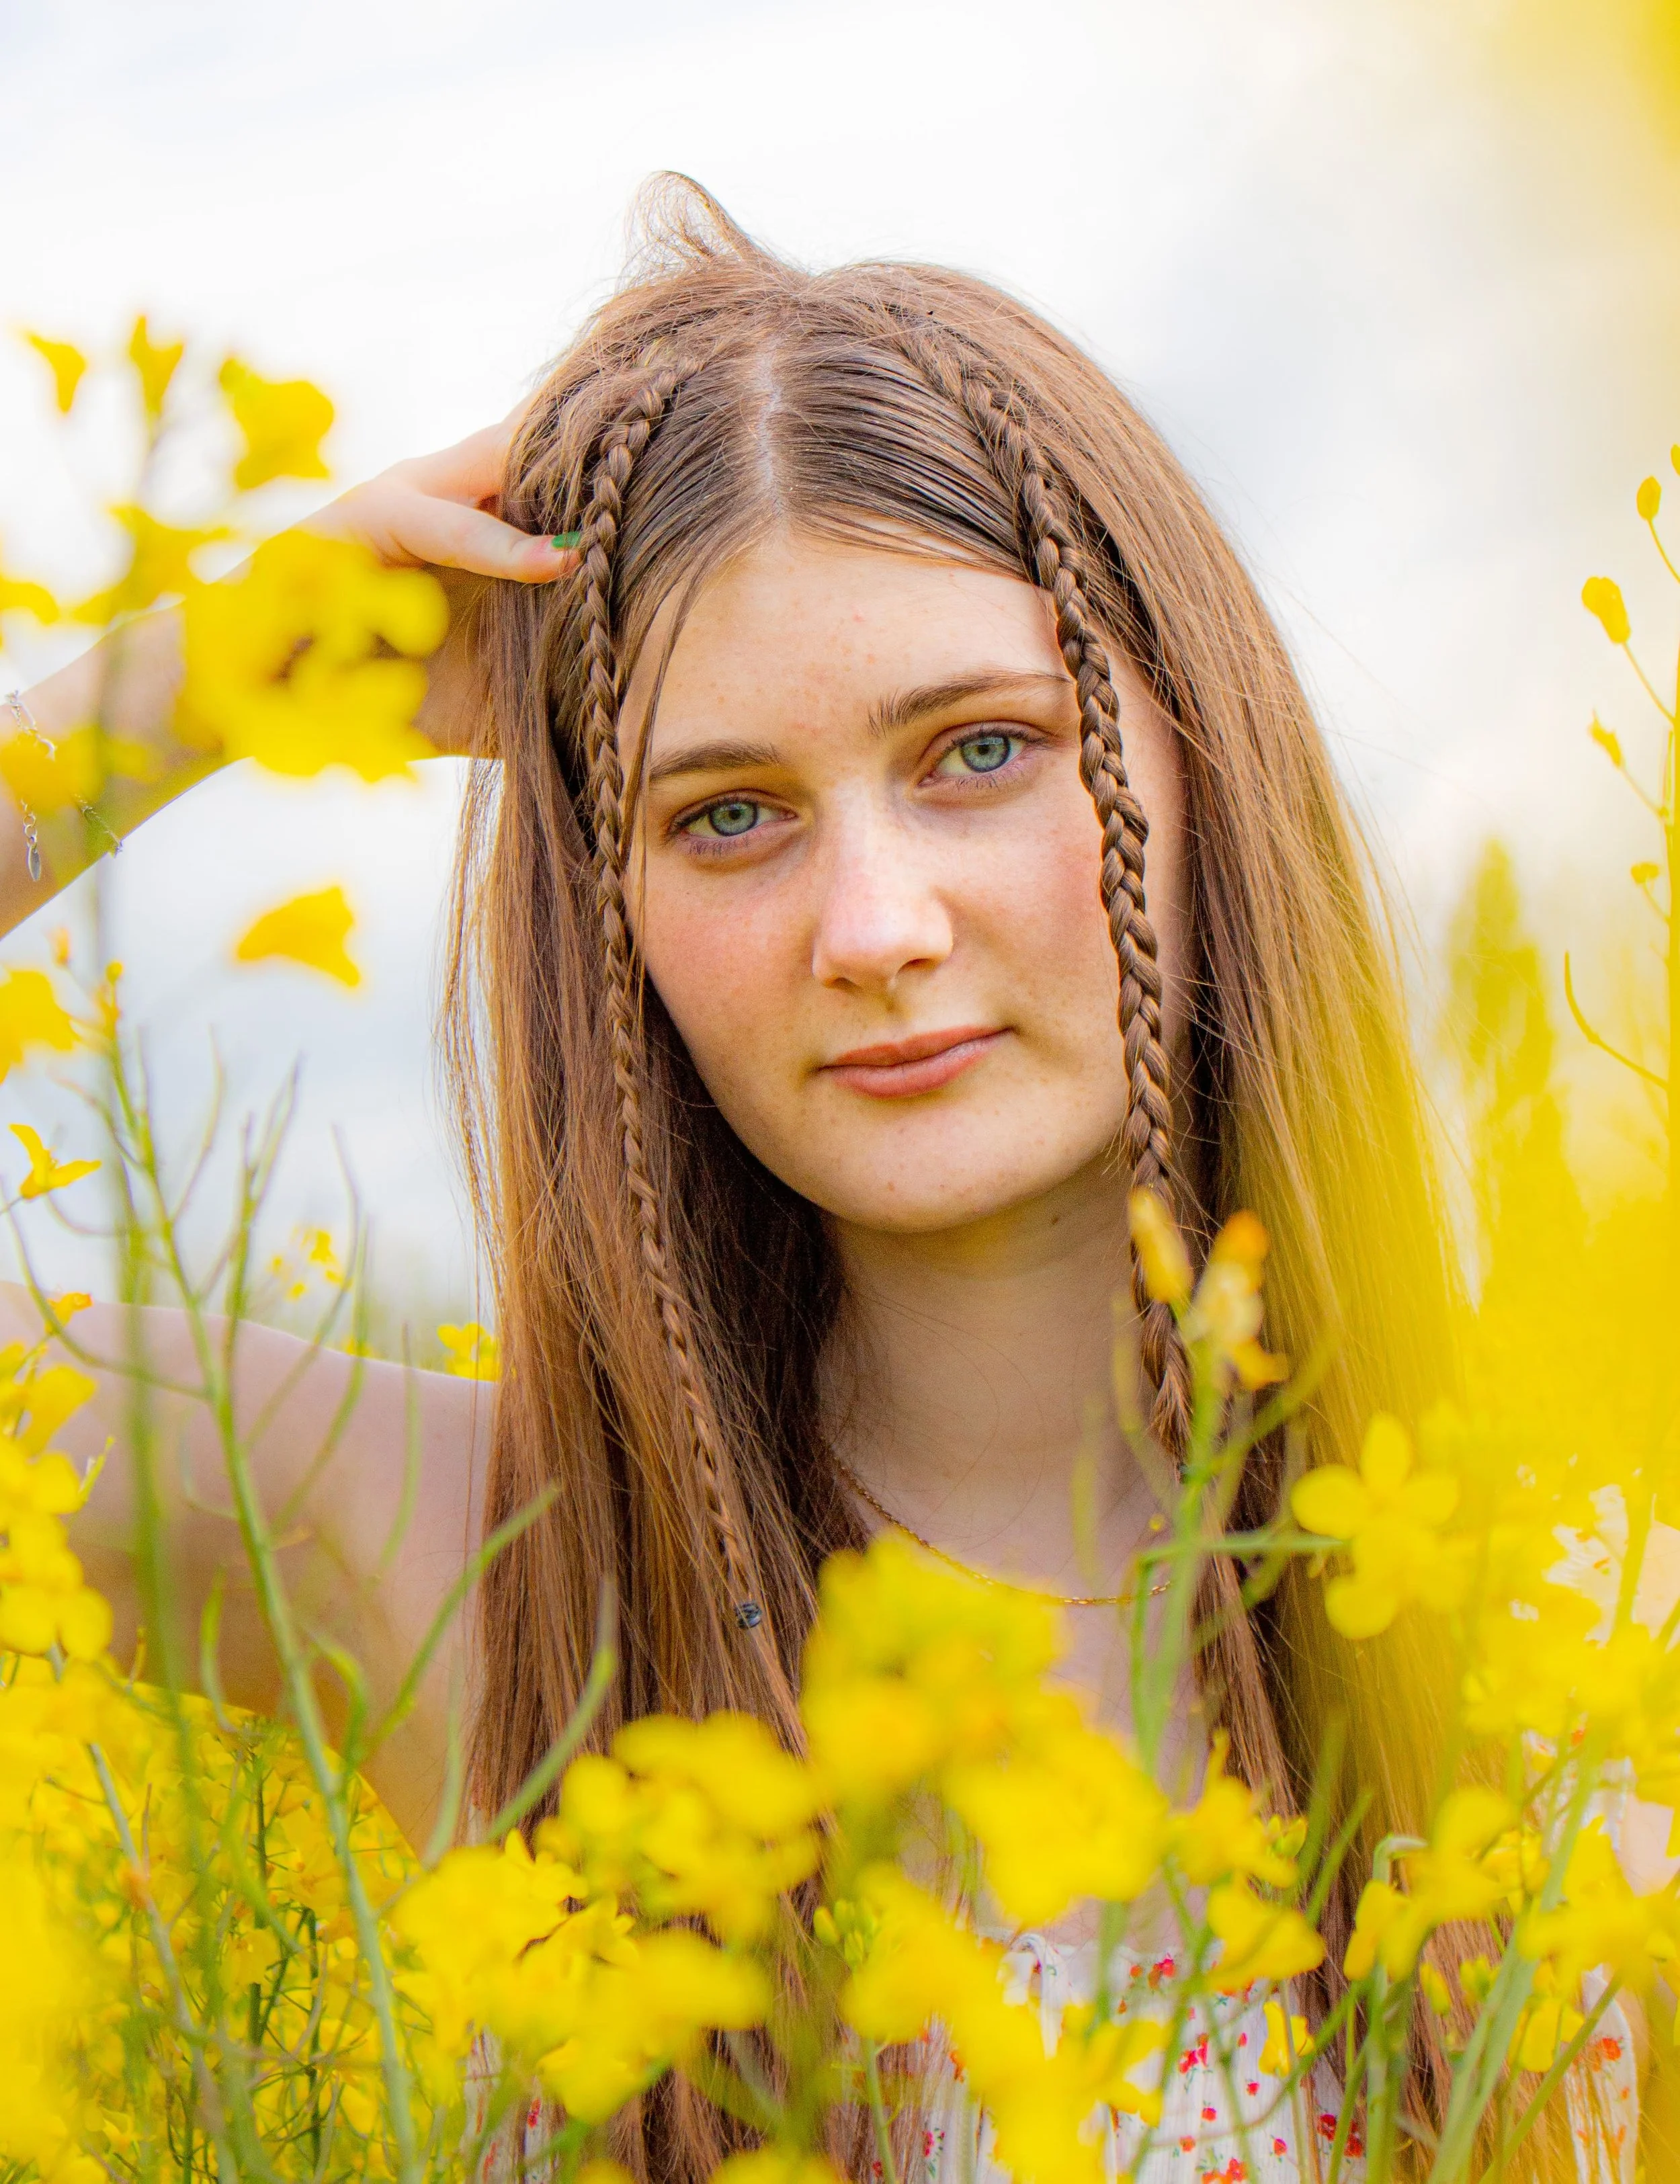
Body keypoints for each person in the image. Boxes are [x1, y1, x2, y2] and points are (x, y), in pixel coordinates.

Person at [1, 179, 1637, 2181]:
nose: (873, 925)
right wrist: (191, 687)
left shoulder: (1598, 1619)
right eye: (727, 814)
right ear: (600, 910)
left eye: (977, 753)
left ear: (1198, 750)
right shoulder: (463, 1563)